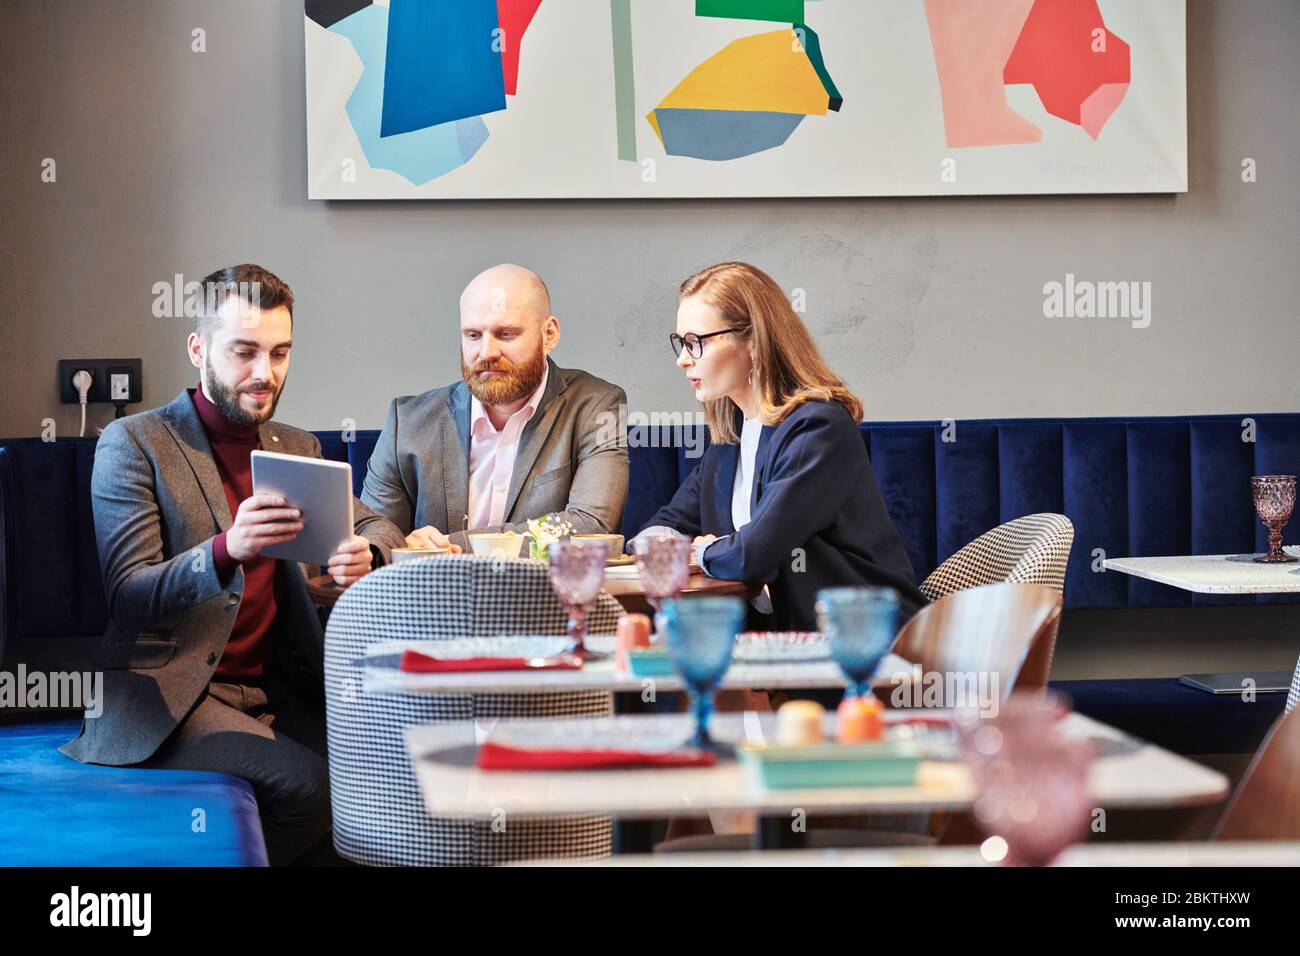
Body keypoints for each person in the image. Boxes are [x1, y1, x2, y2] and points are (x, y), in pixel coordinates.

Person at [61, 264, 406, 866]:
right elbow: (129, 594)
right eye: (244, 352)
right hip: (170, 696)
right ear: (198, 348)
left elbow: (378, 524)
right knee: (317, 791)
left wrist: (366, 553)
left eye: (279, 353)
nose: (264, 374)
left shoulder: (296, 448)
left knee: (386, 779)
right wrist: (227, 549)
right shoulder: (135, 443)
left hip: (279, 690)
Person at [631, 262, 926, 631]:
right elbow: (665, 523)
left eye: (696, 342)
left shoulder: (818, 428)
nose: (682, 358)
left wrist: (698, 551)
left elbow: (752, 554)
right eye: (680, 343)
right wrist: (671, 548)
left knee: (696, 667)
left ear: (753, 340)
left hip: (863, 641)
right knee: (688, 664)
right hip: (781, 638)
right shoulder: (731, 438)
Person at [362, 263, 628, 552]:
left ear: (548, 334)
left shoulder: (597, 405)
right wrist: (376, 549)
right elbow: (376, 536)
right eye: (473, 335)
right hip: (433, 596)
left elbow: (591, 526)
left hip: (542, 596)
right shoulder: (408, 422)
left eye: (506, 334)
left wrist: (449, 547)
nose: (487, 353)